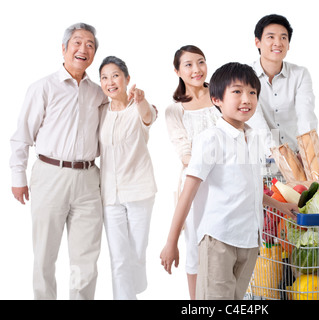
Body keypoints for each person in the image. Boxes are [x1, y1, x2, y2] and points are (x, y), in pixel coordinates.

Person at [160, 62, 299, 300]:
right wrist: (171, 243)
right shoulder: (211, 139)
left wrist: (281, 206)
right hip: (219, 240)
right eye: (237, 92)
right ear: (216, 99)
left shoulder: (253, 139)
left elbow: (250, 189)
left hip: (249, 241)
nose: (246, 99)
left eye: (252, 93)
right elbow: (188, 193)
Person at [9, 22, 108, 300]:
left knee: (86, 259)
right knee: (44, 255)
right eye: (77, 42)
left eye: (90, 45)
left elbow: (120, 115)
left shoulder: (98, 92)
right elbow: (22, 137)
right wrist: (18, 177)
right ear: (64, 49)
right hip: (50, 175)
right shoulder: (43, 87)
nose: (83, 49)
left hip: (89, 179)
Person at [98, 56, 158, 300]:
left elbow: (149, 117)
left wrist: (142, 101)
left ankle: (134, 289)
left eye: (115, 75)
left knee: (137, 250)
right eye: (104, 77)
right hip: (109, 195)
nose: (110, 81)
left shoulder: (139, 108)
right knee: (118, 257)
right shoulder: (101, 111)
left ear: (126, 79)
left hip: (139, 191)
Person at [165, 45, 220, 300]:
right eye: (188, 65)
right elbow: (184, 152)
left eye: (200, 62)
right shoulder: (175, 109)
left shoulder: (222, 95)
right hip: (195, 186)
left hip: (228, 180)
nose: (196, 70)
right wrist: (207, 164)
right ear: (177, 70)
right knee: (195, 247)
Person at [247, 14, 319, 156]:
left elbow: (306, 114)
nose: (278, 43)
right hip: (262, 158)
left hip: (297, 155)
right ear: (257, 42)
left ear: (288, 44)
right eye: (271, 37)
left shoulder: (300, 74)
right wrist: (278, 155)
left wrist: (307, 152)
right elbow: (256, 121)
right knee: (272, 179)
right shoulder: (246, 74)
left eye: (283, 37)